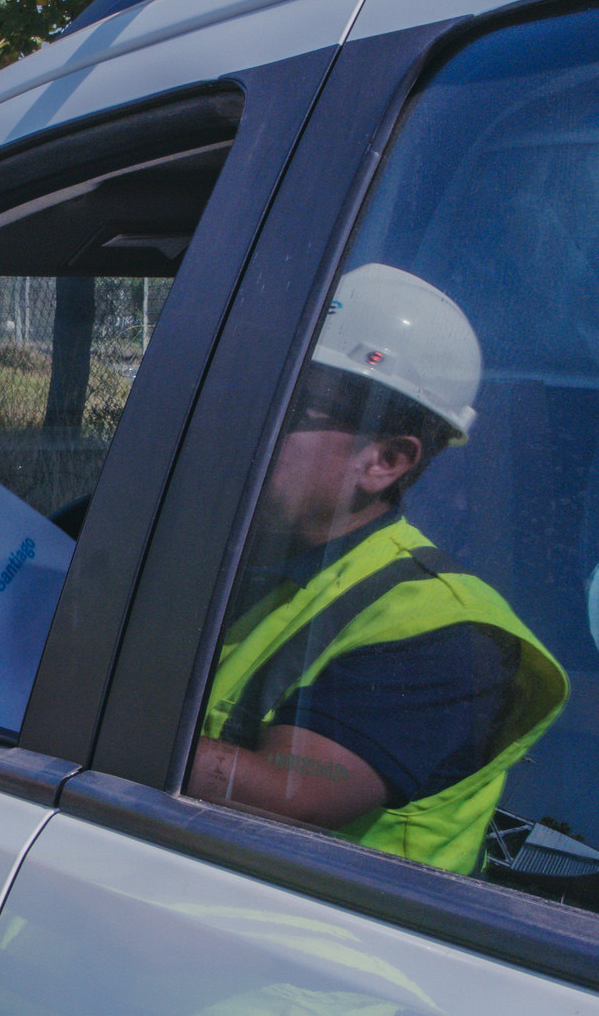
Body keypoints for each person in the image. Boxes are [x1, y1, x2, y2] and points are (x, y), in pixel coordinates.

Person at [190, 264, 567, 873]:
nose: (256, 421)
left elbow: (293, 799)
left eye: (295, 408)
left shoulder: (450, 635)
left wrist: (96, 711)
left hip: (307, 955)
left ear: (385, 461)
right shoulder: (239, 557)